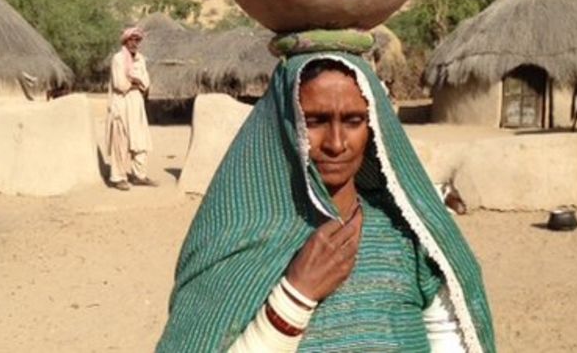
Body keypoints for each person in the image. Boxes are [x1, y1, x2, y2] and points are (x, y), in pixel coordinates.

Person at [158, 42, 495, 352]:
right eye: (315, 121)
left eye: (353, 120)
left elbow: (450, 336)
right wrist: (294, 296)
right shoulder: (240, 238)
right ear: (285, 125)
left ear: (373, 127)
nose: (336, 143)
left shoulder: (409, 235)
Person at [106, 26, 157, 191]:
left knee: (140, 140)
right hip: (121, 104)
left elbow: (146, 82)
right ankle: (119, 177)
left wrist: (135, 81)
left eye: (137, 40)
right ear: (125, 41)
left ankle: (139, 175)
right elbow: (120, 84)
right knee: (120, 141)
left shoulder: (140, 59)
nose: (135, 43)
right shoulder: (118, 59)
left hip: (136, 103)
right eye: (132, 40)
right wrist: (136, 82)